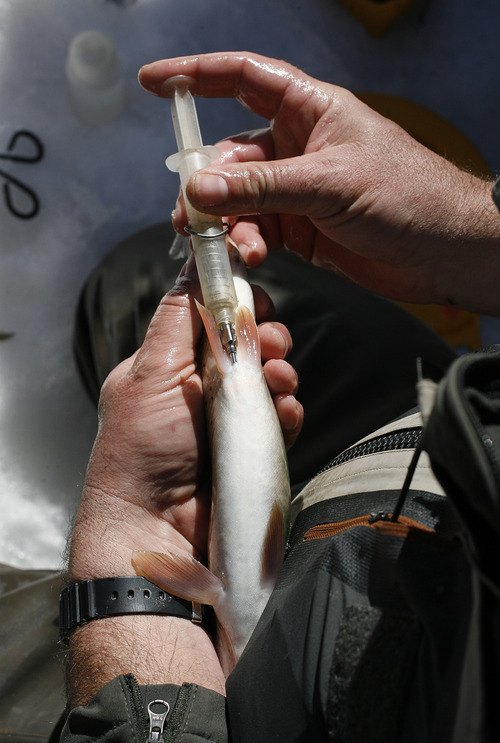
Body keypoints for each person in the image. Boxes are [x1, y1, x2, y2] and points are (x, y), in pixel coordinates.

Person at [56, 52, 500, 741]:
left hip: (386, 502)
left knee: (134, 297)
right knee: (146, 277)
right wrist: (477, 237)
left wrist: (122, 540)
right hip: (450, 429)